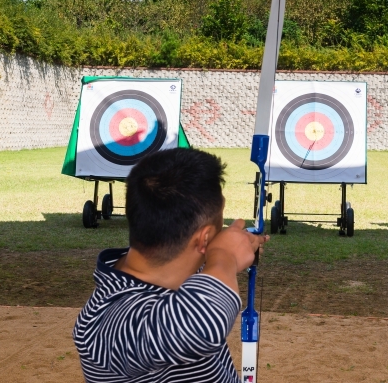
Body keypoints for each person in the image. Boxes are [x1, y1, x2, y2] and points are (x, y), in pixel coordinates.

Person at [73, 148, 268, 382]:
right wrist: (225, 255)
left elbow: (201, 276)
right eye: (220, 224)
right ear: (204, 239)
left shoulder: (169, 269)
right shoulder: (109, 323)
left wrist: (234, 251)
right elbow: (201, 324)